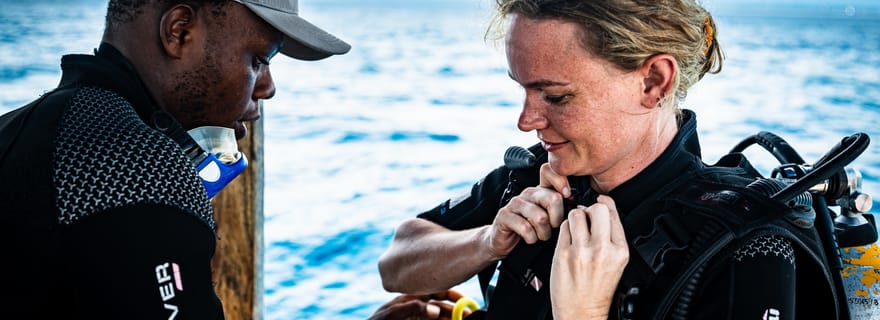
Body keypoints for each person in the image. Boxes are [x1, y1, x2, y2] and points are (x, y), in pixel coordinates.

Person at [378, 0, 839, 319]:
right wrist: (487, 243)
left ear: (653, 82)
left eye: (555, 96)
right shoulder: (535, 179)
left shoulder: (746, 246)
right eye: (523, 89)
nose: (526, 119)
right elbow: (396, 263)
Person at [0, 0, 356, 318]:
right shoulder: (144, 172)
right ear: (179, 31)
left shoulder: (21, 128)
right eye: (259, 61)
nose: (268, 88)